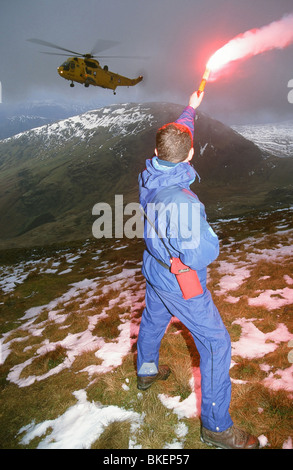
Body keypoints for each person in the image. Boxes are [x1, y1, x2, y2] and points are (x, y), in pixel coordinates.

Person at [136, 90, 259, 450]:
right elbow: (202, 253)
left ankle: (146, 371)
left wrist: (192, 107)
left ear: (158, 152)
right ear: (190, 154)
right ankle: (217, 427)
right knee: (216, 343)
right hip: (178, 278)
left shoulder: (151, 172)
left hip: (155, 267)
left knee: (154, 319)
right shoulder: (182, 201)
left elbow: (178, 135)